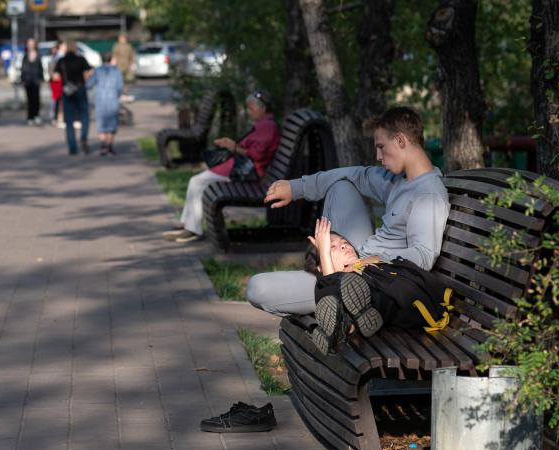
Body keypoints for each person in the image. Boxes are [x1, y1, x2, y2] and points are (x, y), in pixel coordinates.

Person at [247, 106, 450, 316]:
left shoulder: (429, 194)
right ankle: (330, 273)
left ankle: (332, 286)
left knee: (257, 288)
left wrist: (367, 262)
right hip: (358, 258)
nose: (378, 156)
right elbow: (355, 174)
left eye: (381, 147)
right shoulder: (399, 180)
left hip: (371, 279)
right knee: (341, 185)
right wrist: (296, 188)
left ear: (400, 140)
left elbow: (423, 256)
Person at [305, 217, 454, 355]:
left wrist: (327, 255)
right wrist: (325, 257)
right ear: (321, 266)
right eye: (332, 247)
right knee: (327, 288)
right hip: (366, 307)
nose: (344, 246)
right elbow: (328, 281)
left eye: (345, 242)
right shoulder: (323, 289)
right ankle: (343, 324)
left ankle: (344, 326)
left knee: (346, 286)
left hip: (396, 305)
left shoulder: (368, 266)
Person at [161, 90, 280, 243]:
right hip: (242, 168)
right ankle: (187, 225)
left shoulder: (267, 127)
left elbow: (256, 155)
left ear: (263, 109)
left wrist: (233, 147)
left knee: (197, 182)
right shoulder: (265, 125)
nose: (249, 113)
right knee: (197, 181)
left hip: (247, 172)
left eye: (251, 109)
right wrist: (232, 145)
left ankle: (191, 229)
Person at [53, 40, 92, 155]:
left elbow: (56, 77)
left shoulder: (61, 61)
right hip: (80, 89)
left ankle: (72, 147)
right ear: (75, 48)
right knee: (84, 115)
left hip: (67, 91)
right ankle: (83, 137)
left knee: (69, 120)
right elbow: (88, 73)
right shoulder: (81, 59)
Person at [86, 52, 123, 155]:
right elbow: (119, 87)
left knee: (102, 123)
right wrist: (117, 95)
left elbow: (89, 85)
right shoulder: (116, 71)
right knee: (112, 123)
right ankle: (110, 145)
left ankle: (103, 145)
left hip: (100, 99)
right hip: (113, 99)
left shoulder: (97, 71)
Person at [20, 38, 44, 126]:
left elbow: (40, 68)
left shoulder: (38, 55)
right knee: (29, 99)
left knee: (36, 98)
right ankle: (30, 117)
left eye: (32, 44)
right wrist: (22, 79)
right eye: (29, 44)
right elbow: (22, 68)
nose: (30, 45)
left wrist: (41, 78)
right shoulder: (25, 55)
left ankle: (36, 116)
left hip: (36, 80)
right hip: (28, 80)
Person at [112, 34, 136, 99]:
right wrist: (113, 63)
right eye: (120, 38)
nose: (122, 39)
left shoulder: (128, 46)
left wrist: (132, 64)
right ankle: (119, 93)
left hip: (127, 65)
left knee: (127, 80)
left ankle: (125, 93)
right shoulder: (116, 46)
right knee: (119, 80)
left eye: (123, 38)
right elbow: (114, 55)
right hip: (118, 65)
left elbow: (132, 55)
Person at [49, 41, 66, 127]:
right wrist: (53, 75)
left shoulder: (61, 56)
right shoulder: (58, 57)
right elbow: (53, 70)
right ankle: (56, 118)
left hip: (61, 81)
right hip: (57, 82)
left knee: (59, 100)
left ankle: (59, 118)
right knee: (57, 100)